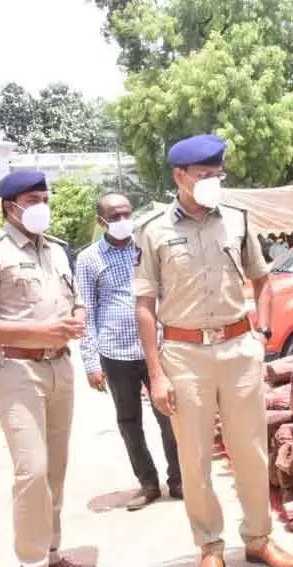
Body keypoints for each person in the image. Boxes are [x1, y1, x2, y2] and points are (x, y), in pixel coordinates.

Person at [134, 133, 293, 567]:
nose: (213, 182)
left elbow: (263, 279)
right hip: (184, 355)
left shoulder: (239, 221)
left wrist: (263, 334)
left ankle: (259, 539)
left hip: (237, 347)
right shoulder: (154, 231)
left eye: (217, 174)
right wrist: (156, 372)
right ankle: (209, 549)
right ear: (180, 177)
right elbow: (145, 304)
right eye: (204, 175)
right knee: (195, 458)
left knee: (251, 450)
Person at [0, 171, 96, 567]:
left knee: (55, 469)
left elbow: (73, 298)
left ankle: (52, 554)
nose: (42, 205)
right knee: (32, 471)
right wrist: (41, 332)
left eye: (44, 197)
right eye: (32, 199)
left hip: (59, 367)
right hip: (15, 370)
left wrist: (77, 317)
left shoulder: (56, 250)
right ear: (10, 206)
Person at [76, 192, 181, 511]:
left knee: (169, 416)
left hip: (158, 347)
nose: (123, 221)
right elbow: (86, 310)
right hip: (116, 351)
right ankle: (148, 483)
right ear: (101, 221)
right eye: (114, 216)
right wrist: (90, 361)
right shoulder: (88, 259)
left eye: (126, 214)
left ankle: (178, 479)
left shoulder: (145, 248)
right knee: (129, 420)